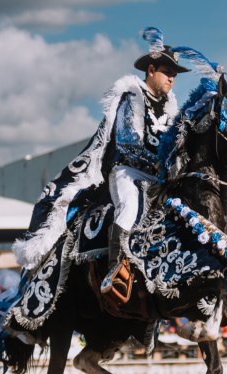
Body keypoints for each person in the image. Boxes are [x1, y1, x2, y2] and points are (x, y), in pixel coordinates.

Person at [12, 27, 188, 292]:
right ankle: (116, 270)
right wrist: (160, 163)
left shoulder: (171, 107)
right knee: (130, 207)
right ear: (151, 70)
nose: (172, 78)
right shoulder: (132, 96)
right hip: (129, 172)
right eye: (167, 72)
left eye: (174, 74)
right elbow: (129, 143)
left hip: (158, 177)